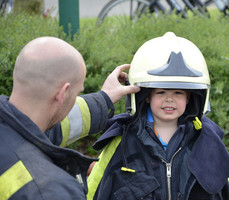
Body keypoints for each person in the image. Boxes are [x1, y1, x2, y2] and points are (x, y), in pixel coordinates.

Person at [87, 32, 229, 200]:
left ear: (189, 98)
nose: (169, 99)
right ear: (146, 96)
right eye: (161, 91)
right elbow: (94, 188)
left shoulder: (206, 141)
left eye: (178, 92)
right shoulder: (123, 141)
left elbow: (224, 190)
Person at [0, 36, 140, 199]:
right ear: (63, 93)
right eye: (76, 93)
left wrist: (104, 99)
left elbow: (40, 126)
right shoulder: (53, 190)